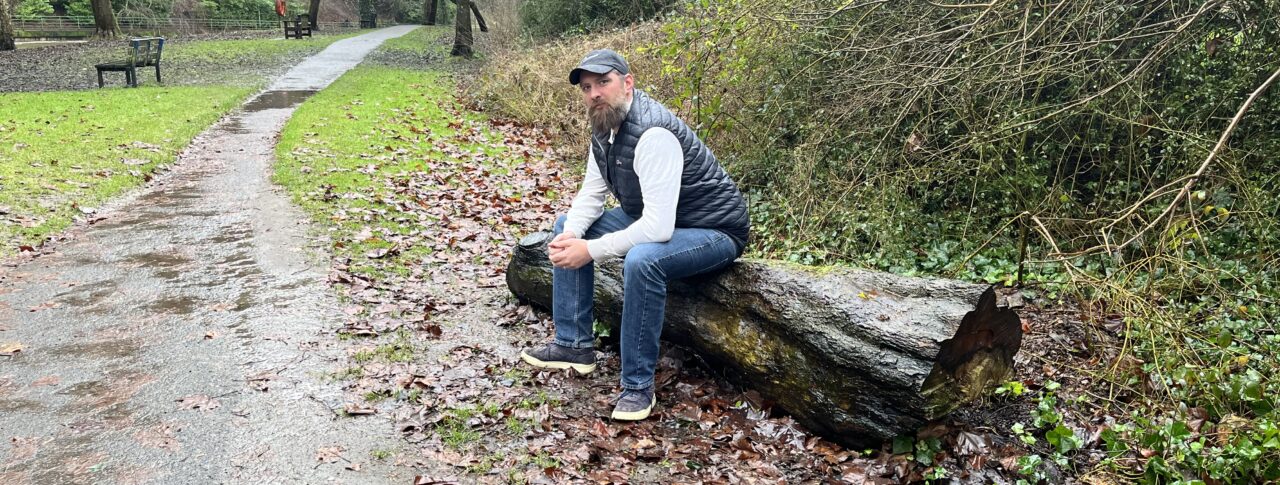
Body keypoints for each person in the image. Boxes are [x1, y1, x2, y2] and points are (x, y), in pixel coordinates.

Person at [519, 49, 750, 421]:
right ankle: (573, 345)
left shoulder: (654, 133)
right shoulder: (604, 129)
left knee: (643, 261)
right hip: (655, 218)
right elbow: (592, 195)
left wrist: (591, 250)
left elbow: (657, 229)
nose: (594, 93)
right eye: (587, 87)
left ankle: (638, 386)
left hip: (712, 230)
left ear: (627, 83)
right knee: (565, 227)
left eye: (603, 82)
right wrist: (574, 235)